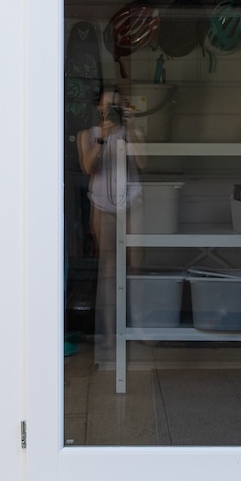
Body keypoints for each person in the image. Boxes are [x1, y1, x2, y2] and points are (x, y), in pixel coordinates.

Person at [76, 86, 143, 364]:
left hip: (132, 201)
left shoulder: (130, 132)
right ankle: (108, 333)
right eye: (107, 106)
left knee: (136, 265)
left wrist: (133, 129)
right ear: (99, 108)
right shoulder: (88, 135)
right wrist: (103, 138)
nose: (110, 111)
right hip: (103, 204)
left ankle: (138, 327)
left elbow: (144, 162)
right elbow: (88, 168)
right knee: (108, 269)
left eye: (116, 106)